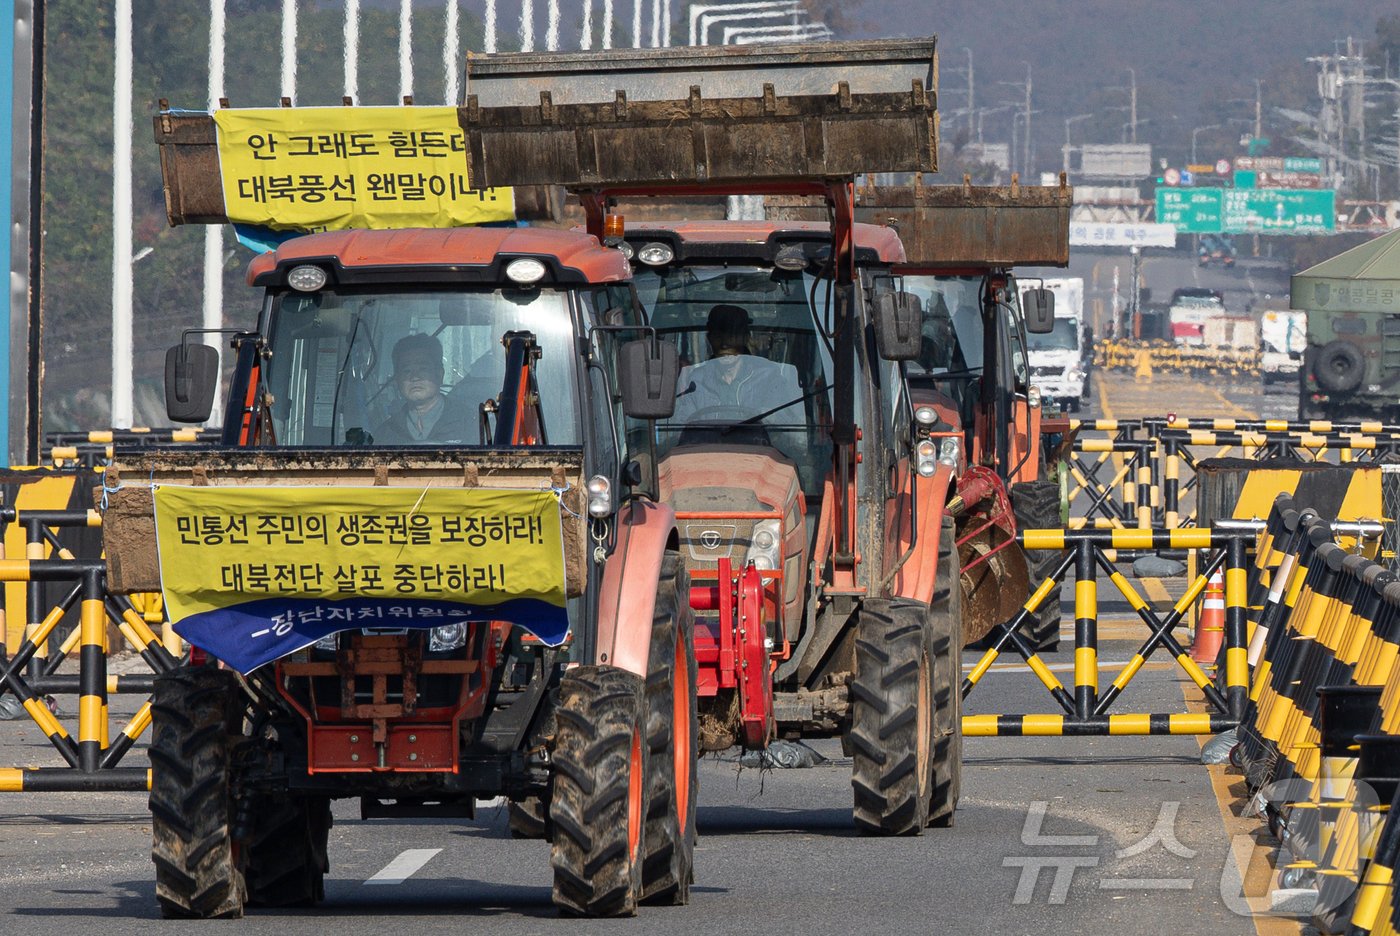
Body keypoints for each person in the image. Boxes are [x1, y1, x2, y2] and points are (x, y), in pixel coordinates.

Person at [672, 304, 805, 428]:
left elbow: (788, 427)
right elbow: (681, 426)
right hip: (705, 450)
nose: (725, 344)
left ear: (745, 338)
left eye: (732, 336)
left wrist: (770, 417)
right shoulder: (696, 381)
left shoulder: (768, 377)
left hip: (757, 450)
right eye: (719, 336)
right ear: (709, 339)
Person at [372, 333, 473, 444]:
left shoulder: (471, 424)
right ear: (397, 380)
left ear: (439, 374)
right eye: (407, 371)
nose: (415, 377)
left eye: (423, 369)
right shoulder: (385, 433)